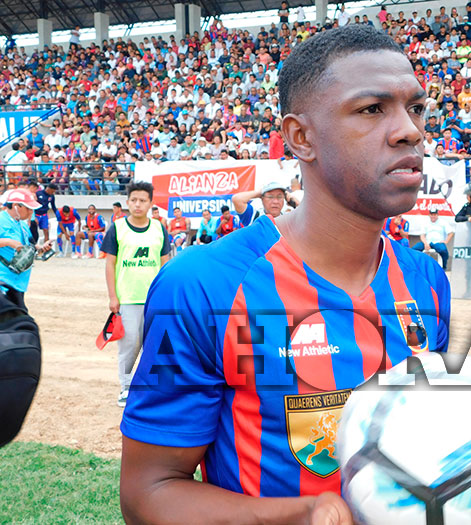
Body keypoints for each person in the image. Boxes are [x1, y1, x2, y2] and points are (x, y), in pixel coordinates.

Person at [119, 25, 450, 524]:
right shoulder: (202, 286)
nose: (410, 130)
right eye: (371, 109)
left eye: (417, 108)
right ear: (301, 137)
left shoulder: (428, 280)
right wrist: (307, 513)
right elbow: (148, 493)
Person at [102, 182, 170, 408]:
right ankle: (126, 387)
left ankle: (151, 388)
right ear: (127, 202)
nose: (138, 204)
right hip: (128, 299)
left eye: (143, 200)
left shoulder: (159, 229)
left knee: (155, 343)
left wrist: (166, 296)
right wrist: (113, 296)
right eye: (134, 200)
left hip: (154, 299)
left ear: (151, 203)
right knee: (129, 344)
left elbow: (165, 265)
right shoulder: (117, 228)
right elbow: (110, 264)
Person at [0, 189, 52, 310]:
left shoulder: (22, 225)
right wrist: (8, 242)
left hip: (18, 281)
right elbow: (12, 243)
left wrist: (41, 248)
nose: (31, 212)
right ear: (16, 206)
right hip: (3, 280)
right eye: (28, 208)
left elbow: (30, 244)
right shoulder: (1, 220)